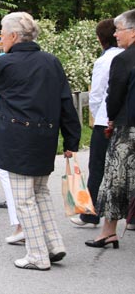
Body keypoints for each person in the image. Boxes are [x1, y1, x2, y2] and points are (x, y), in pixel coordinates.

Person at [0, 12, 80, 270]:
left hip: (17, 137)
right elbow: (65, 101)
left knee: (24, 198)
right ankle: (53, 244)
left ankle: (37, 254)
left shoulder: (6, 63)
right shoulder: (51, 61)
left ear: (14, 36)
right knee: (40, 192)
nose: (0, 39)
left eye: (2, 34)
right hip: (45, 135)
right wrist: (72, 139)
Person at [87, 9, 135, 248]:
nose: (116, 34)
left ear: (133, 31)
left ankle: (108, 230)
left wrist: (111, 118)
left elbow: (112, 96)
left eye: (119, 30)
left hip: (128, 127)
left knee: (115, 179)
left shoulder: (124, 59)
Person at [70, 19, 122, 227]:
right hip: (124, 119)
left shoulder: (105, 60)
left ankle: (89, 213)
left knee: (97, 166)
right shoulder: (127, 56)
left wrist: (95, 115)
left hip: (104, 119)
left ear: (100, 39)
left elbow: (97, 93)